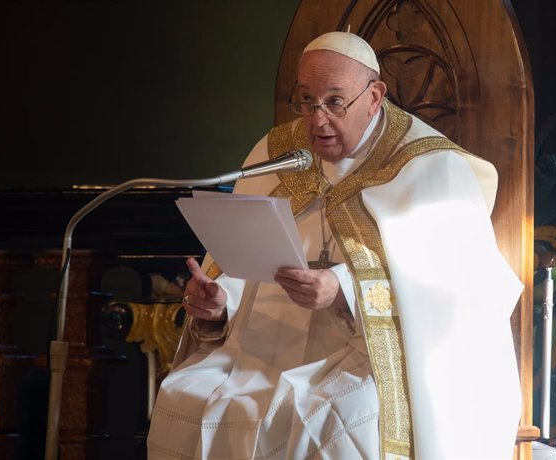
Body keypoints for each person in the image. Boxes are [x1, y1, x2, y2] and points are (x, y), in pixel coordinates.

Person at [147, 31, 523, 460]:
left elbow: (454, 296)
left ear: (375, 96)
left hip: (370, 358)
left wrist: (343, 288)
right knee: (185, 399)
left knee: (325, 424)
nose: (317, 120)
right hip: (262, 351)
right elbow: (243, 265)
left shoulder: (430, 167)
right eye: (306, 101)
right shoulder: (278, 153)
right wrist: (220, 304)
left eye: (334, 101)